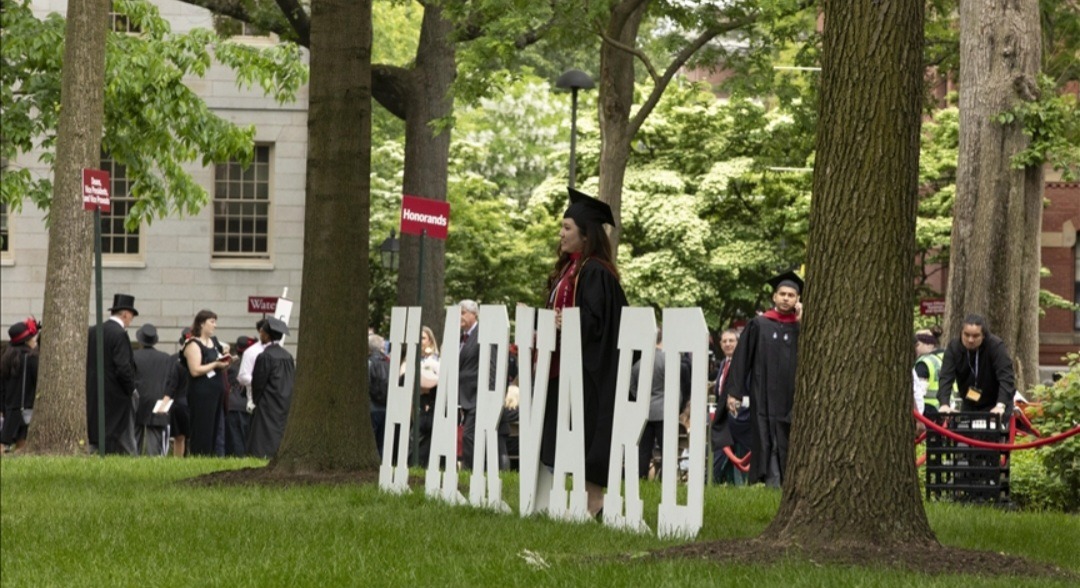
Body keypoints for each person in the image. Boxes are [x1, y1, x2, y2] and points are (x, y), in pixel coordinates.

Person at [540, 187, 628, 516]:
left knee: (587, 432)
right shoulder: (570, 269)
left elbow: (598, 323)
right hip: (563, 367)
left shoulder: (595, 272)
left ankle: (595, 503)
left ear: (586, 234)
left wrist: (569, 322)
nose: (561, 234)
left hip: (588, 371)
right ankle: (570, 501)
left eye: (567, 228)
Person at [723, 271, 803, 487]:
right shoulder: (759, 324)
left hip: (791, 398)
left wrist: (803, 322)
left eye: (791, 295)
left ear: (798, 300)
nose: (786, 298)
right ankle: (774, 484)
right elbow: (742, 359)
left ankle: (787, 484)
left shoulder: (801, 328)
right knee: (769, 440)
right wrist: (734, 392)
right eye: (782, 294)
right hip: (763, 397)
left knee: (788, 439)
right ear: (774, 297)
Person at [85, 293, 140, 455]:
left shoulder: (93, 331)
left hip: (94, 391)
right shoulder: (119, 334)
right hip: (117, 395)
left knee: (97, 434)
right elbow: (123, 367)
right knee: (125, 435)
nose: (131, 321)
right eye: (131, 317)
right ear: (126, 314)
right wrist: (131, 389)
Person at [937, 314, 1015, 416]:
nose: (970, 340)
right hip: (970, 403)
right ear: (961, 333)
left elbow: (1006, 377)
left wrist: (1000, 405)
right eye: (966, 335)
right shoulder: (954, 348)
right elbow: (945, 377)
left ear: (983, 335)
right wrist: (944, 404)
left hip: (996, 404)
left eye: (975, 336)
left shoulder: (995, 346)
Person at [182, 309, 231, 456]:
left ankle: (210, 455)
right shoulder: (193, 344)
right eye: (212, 322)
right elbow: (195, 370)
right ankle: (199, 455)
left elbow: (219, 362)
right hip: (201, 393)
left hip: (216, 392)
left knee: (215, 429)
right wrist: (215, 364)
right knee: (202, 428)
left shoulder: (214, 342)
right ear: (202, 323)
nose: (215, 325)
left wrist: (226, 361)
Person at [247, 317, 295, 458]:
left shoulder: (265, 356)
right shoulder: (288, 356)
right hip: (285, 399)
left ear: (267, 335)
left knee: (264, 433)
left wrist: (256, 400)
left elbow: (258, 382)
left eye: (262, 331)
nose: (260, 334)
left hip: (268, 400)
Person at [710, 328, 749, 485]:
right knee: (719, 457)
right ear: (720, 344)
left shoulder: (745, 365)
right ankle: (714, 483)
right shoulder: (723, 364)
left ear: (738, 343)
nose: (727, 344)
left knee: (739, 460)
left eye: (731, 341)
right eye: (724, 341)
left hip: (741, 420)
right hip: (723, 419)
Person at [630, 328, 666, 479]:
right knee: (666, 449)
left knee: (643, 449)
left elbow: (632, 386)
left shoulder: (638, 363)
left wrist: (641, 399)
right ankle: (664, 477)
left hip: (645, 410)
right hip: (663, 410)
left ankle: (641, 476)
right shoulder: (666, 360)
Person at [132, 324, 174, 456]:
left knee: (134, 440)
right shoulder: (166, 358)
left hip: (137, 400)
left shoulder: (133, 356)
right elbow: (170, 381)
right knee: (155, 445)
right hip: (158, 400)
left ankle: (133, 463)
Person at [1, 318, 41, 452]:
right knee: (22, 444)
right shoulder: (32, 359)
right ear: (26, 341)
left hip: (10, 409)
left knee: (4, 442)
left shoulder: (6, 358)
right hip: (26, 409)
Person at [458, 300, 481, 469]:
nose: (459, 317)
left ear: (474, 314)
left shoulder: (482, 334)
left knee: (469, 435)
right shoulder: (459, 337)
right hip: (462, 396)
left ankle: (471, 470)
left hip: (476, 395)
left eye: (463, 313)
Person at [225, 335, 256, 456]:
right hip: (247, 405)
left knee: (235, 439)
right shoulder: (254, 364)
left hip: (232, 405)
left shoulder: (231, 366)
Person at [166, 328, 192, 457]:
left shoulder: (173, 359)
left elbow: (169, 382)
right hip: (192, 401)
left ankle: (178, 460)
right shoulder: (201, 358)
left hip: (178, 402)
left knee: (179, 437)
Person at [237, 319, 269, 415]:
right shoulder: (251, 352)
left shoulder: (280, 353)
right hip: (257, 401)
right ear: (260, 331)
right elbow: (243, 376)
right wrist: (261, 383)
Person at [368, 333, 390, 457]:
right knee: (382, 442)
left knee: (372, 439)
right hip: (386, 407)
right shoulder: (388, 362)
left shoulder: (369, 362)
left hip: (372, 407)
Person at [913, 331, 944, 416]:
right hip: (945, 408)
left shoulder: (923, 362)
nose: (915, 348)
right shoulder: (943, 357)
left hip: (927, 410)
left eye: (918, 345)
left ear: (929, 345)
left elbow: (919, 391)